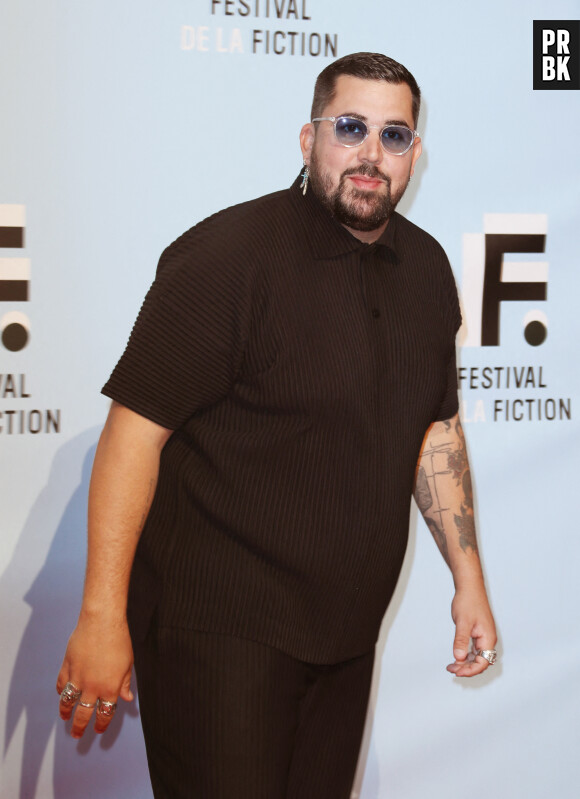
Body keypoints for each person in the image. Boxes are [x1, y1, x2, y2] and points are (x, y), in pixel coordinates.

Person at [57, 52, 497, 798]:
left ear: (415, 154)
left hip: (346, 635)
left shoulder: (426, 271)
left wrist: (469, 575)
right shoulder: (227, 259)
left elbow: (434, 430)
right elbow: (134, 433)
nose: (370, 154)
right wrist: (102, 614)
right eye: (350, 128)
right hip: (217, 631)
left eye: (394, 136)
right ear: (308, 138)